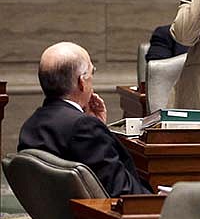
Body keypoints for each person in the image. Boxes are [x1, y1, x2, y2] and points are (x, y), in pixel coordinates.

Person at [18, 42, 153, 197]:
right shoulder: (84, 128)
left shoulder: (31, 125)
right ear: (82, 81)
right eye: (92, 72)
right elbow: (122, 191)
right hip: (118, 216)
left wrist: (101, 128)